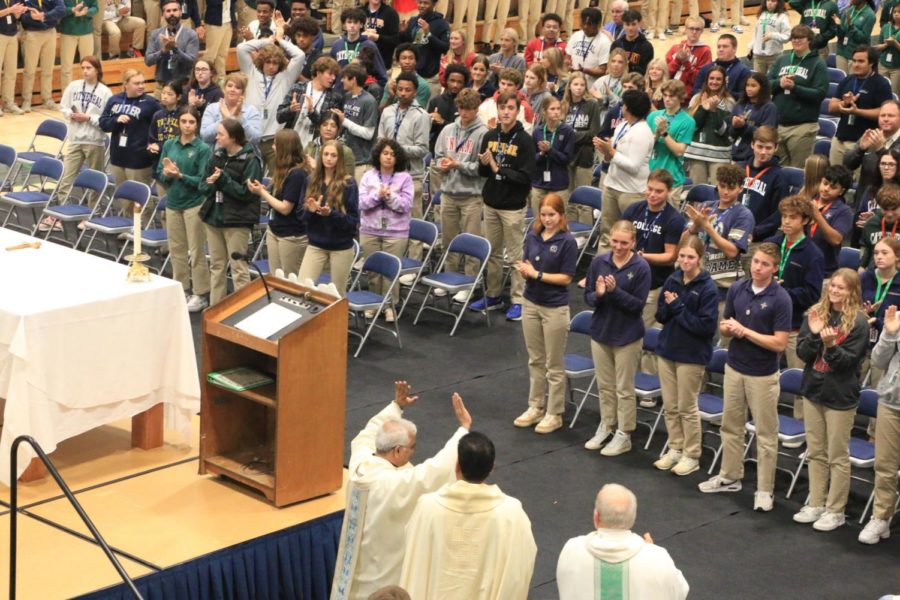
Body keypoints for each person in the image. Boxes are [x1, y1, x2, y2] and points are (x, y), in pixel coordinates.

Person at [332, 381, 472, 600]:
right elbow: (434, 470)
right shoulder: (393, 484)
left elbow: (369, 432)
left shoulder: (361, 459)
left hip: (353, 571)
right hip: (379, 576)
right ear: (397, 450)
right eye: (412, 447)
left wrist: (396, 405)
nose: (414, 452)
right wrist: (463, 428)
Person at [698, 243, 792, 512]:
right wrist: (728, 328)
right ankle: (730, 475)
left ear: (775, 268)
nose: (758, 267)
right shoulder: (739, 288)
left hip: (762, 375)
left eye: (764, 264)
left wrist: (745, 331)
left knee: (765, 434)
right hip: (735, 367)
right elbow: (725, 324)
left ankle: (765, 489)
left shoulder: (781, 298)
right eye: (755, 262)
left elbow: (779, 344)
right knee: (730, 426)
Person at [399, 432, 537, 599]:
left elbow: (415, 556)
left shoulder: (427, 507)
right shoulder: (511, 513)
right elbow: (520, 566)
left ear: (457, 466)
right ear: (492, 468)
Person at [793, 268, 869, 531]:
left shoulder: (859, 323)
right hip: (813, 390)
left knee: (837, 455)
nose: (835, 291)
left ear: (852, 291)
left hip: (840, 396)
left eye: (842, 288)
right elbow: (802, 352)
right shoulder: (816, 314)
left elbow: (848, 364)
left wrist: (831, 345)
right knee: (816, 452)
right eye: (833, 286)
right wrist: (815, 334)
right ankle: (816, 502)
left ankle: (835, 509)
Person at [583, 220, 650, 456]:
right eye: (615, 241)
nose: (619, 246)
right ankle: (607, 425)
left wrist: (615, 292)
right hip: (601, 332)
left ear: (633, 242)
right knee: (605, 385)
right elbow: (588, 297)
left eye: (624, 242)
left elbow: (637, 306)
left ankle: (624, 433)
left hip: (627, 336)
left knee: (624, 388)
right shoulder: (599, 261)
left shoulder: (641, 267)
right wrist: (599, 294)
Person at [653, 235, 718, 476]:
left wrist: (678, 307)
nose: (685, 261)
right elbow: (660, 315)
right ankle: (675, 447)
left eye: (690, 257)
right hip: (668, 349)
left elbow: (705, 327)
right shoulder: (672, 279)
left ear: (700, 259)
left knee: (687, 407)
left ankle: (692, 454)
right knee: (670, 405)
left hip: (691, 354)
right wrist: (670, 308)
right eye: (682, 256)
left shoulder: (707, 288)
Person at [513, 193, 578, 433]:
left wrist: (537, 274)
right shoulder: (533, 235)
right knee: (535, 359)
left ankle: (554, 412)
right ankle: (535, 406)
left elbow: (566, 278)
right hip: (531, 302)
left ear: (561, 215)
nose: (547, 219)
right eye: (543, 214)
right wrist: (525, 271)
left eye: (552, 215)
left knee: (554, 363)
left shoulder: (567, 242)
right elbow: (528, 263)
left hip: (555, 307)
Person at [556, 483, 689, 600]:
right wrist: (651, 552)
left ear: (596, 517)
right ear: (633, 517)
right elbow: (680, 592)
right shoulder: (658, 558)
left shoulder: (572, 548)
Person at [470, 91, 537, 321]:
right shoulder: (490, 135)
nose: (505, 112)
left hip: (512, 206)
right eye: (502, 107)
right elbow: (483, 173)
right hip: (491, 203)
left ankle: (518, 299)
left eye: (510, 108)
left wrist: (499, 169)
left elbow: (526, 177)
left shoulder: (525, 140)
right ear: (497, 109)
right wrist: (485, 164)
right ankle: (494, 294)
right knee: (493, 253)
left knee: (516, 256)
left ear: (517, 110)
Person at [198, 119, 262, 304]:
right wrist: (212, 183)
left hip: (237, 220)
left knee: (238, 268)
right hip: (214, 217)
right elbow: (203, 185)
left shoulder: (250, 160)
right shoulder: (217, 155)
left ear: (233, 138)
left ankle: (242, 311)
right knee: (217, 266)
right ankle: (214, 308)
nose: (216, 137)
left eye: (220, 134)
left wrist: (223, 180)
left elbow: (247, 193)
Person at [433, 87, 488, 299]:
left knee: (471, 243)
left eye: (469, 110)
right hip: (448, 193)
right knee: (449, 241)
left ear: (476, 110)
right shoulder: (448, 130)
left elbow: (481, 169)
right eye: (462, 109)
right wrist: (442, 164)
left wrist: (458, 165)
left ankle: (470, 283)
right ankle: (449, 278)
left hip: (471, 196)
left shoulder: (483, 133)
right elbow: (437, 156)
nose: (465, 113)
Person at [157, 106, 212, 313]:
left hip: (194, 204)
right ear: (178, 123)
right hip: (173, 203)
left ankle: (201, 293)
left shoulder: (202, 149)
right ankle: (181, 287)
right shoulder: (170, 144)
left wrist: (180, 176)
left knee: (197, 250)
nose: (187, 125)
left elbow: (202, 181)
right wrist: (167, 174)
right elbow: (159, 172)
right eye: (183, 121)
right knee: (177, 249)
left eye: (191, 122)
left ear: (197, 125)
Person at [766, 195, 825, 383]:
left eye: (792, 217)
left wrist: (782, 293)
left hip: (795, 327)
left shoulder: (813, 254)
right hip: (768, 322)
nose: (786, 221)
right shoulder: (773, 245)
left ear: (806, 220)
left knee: (798, 380)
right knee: (763, 377)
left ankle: (800, 414)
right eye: (784, 216)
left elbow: (812, 294)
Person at [238, 17, 305, 171]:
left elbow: (299, 55)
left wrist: (280, 40)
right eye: (268, 62)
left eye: (275, 63)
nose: (271, 66)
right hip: (251, 138)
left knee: (277, 180)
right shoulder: (250, 71)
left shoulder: (286, 75)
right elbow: (242, 49)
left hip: (274, 139)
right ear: (262, 61)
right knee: (251, 180)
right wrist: (266, 42)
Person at [622, 169, 686, 328]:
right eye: (649, 189)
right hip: (628, 280)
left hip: (654, 283)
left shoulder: (674, 219)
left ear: (669, 191)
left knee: (643, 330)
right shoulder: (634, 209)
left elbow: (670, 257)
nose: (652, 194)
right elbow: (620, 239)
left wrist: (643, 257)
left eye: (658, 191)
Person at [357, 138, 413, 320]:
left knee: (390, 273)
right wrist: (377, 196)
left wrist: (389, 197)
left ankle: (390, 305)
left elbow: (406, 205)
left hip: (396, 232)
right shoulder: (368, 176)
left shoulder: (405, 178)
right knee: (373, 271)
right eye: (385, 153)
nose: (389, 157)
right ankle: (373, 303)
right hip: (369, 230)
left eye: (393, 154)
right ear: (378, 155)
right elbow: (361, 203)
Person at [592, 89, 654, 253]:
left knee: (630, 236)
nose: (621, 107)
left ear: (631, 108)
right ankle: (601, 269)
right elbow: (613, 154)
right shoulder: (622, 126)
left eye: (624, 104)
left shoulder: (643, 132)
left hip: (631, 191)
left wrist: (611, 152)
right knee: (607, 233)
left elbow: (633, 166)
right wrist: (605, 151)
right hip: (612, 185)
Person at [377, 71, 429, 262]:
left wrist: (396, 150)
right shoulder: (388, 111)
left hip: (410, 175)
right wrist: (386, 149)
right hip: (388, 176)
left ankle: (414, 262)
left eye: (408, 90)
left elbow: (422, 149)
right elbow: (380, 140)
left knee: (413, 219)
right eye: (400, 89)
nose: (403, 93)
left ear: (415, 92)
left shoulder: (421, 115)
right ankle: (390, 258)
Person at [682, 164, 755, 299]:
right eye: (722, 186)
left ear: (740, 188)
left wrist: (708, 227)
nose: (725, 191)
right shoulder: (705, 206)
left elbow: (732, 251)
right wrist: (696, 225)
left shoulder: (743, 215)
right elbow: (682, 243)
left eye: (731, 188)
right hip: (698, 279)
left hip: (724, 287)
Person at [297, 139, 359, 295]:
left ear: (340, 160)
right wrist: (310, 211)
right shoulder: (311, 180)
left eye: (333, 155)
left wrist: (331, 214)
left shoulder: (348, 184)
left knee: (337, 295)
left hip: (341, 246)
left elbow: (353, 222)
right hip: (316, 244)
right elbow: (301, 217)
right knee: (302, 287)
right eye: (325, 154)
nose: (329, 158)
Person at [861, 302, 900, 544]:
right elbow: (878, 360)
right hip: (891, 403)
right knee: (885, 466)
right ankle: (880, 517)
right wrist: (889, 333)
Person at [246, 129, 309, 277]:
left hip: (291, 235)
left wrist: (262, 193)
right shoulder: (282, 169)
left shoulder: (297, 174)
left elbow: (285, 208)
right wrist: (262, 189)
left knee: (290, 279)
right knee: (275, 277)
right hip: (275, 229)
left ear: (285, 148)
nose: (272, 147)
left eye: (275, 144)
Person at [768, 24, 829, 168]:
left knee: (797, 171)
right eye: (794, 38)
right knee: (780, 169)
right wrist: (779, 83)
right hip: (779, 125)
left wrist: (794, 88)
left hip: (802, 127)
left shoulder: (818, 64)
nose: (796, 41)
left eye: (800, 38)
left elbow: (819, 94)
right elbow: (766, 85)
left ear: (809, 40)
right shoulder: (782, 60)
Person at [829, 46, 894, 168]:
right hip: (839, 141)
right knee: (834, 181)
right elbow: (831, 107)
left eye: (861, 61)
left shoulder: (881, 83)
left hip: (864, 145)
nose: (856, 64)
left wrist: (857, 111)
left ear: (871, 63)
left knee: (860, 184)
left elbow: (884, 113)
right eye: (854, 61)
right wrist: (844, 103)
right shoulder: (847, 80)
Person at [58, 57, 112, 204]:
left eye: (89, 68)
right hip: (75, 139)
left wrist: (88, 118)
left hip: (94, 141)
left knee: (95, 180)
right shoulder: (73, 86)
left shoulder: (105, 92)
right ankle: (62, 209)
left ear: (97, 70)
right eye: (83, 68)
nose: (85, 71)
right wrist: (71, 114)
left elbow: (106, 120)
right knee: (66, 178)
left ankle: (91, 211)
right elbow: (63, 107)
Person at [99, 69, 162, 189]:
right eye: (136, 83)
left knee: (140, 200)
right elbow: (103, 123)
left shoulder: (151, 103)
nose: (141, 86)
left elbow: (161, 126)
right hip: (117, 157)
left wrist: (155, 144)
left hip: (138, 160)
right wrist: (116, 120)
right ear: (126, 84)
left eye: (143, 83)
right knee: (123, 198)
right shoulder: (115, 99)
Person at [278, 56, 343, 148]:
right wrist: (290, 110)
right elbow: (279, 117)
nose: (333, 78)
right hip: (291, 144)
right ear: (318, 73)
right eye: (330, 74)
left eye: (335, 75)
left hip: (315, 147)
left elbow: (326, 126)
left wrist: (312, 112)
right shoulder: (298, 88)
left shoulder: (335, 97)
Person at [684, 66, 735, 185]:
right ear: (706, 80)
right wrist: (703, 109)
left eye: (718, 79)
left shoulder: (729, 102)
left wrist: (713, 111)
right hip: (696, 152)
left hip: (719, 154)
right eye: (711, 78)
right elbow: (693, 127)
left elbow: (723, 131)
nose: (714, 82)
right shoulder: (696, 98)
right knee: (697, 192)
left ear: (723, 82)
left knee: (717, 191)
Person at [563, 72, 601, 223]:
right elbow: (560, 131)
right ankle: (572, 231)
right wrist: (575, 135)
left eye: (582, 85)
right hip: (567, 155)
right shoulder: (564, 104)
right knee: (570, 197)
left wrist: (571, 135)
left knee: (584, 200)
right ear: (569, 86)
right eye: (575, 84)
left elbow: (593, 133)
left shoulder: (592, 104)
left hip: (584, 155)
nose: (578, 88)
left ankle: (586, 233)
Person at [647, 80, 695, 200]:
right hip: (650, 174)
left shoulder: (687, 121)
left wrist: (664, 133)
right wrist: (657, 134)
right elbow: (646, 145)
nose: (667, 99)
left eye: (671, 96)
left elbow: (679, 151)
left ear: (680, 97)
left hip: (671, 179)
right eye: (665, 95)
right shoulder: (653, 116)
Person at [741, 125, 789, 243]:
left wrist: (754, 232)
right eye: (760, 147)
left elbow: (778, 214)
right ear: (752, 144)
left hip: (758, 238)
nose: (763, 152)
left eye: (768, 148)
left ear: (776, 147)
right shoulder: (740, 168)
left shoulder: (779, 177)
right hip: (732, 229)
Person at [844, 100, 900, 201]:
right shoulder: (871, 136)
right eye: (882, 116)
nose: (886, 119)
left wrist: (880, 149)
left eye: (891, 116)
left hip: (892, 204)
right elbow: (847, 164)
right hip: (865, 200)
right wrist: (860, 149)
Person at [530, 96, 574, 215]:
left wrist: (550, 150)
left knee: (558, 222)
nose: (556, 112)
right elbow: (531, 159)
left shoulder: (567, 131)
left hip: (558, 184)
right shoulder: (537, 132)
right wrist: (541, 153)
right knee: (539, 220)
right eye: (552, 109)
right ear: (544, 111)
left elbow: (566, 159)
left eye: (558, 109)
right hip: (539, 183)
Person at [810, 165, 854, 278]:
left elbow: (836, 240)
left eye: (833, 187)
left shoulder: (844, 211)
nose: (826, 189)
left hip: (824, 271)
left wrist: (817, 216)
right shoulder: (809, 201)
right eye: (824, 183)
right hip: (800, 263)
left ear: (841, 191)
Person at [20, 0, 65, 111]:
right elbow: (20, 16)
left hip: (50, 32)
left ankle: (47, 99)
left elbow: (61, 9)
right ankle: (27, 101)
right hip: (32, 33)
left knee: (48, 69)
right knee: (29, 70)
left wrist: (44, 15)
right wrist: (31, 17)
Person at [201, 73, 263, 149]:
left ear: (243, 92)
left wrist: (239, 118)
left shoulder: (251, 110)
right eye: (229, 86)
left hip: (244, 156)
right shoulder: (212, 108)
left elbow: (256, 139)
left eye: (237, 87)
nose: (232, 90)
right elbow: (204, 136)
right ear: (224, 88)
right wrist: (224, 119)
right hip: (217, 156)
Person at [728, 72, 778, 164]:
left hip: (756, 157)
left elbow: (767, 135)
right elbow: (731, 133)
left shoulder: (769, 107)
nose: (749, 89)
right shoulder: (739, 105)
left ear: (762, 87)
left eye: (753, 86)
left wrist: (744, 126)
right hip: (736, 155)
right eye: (747, 85)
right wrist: (735, 126)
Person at [144, 0, 199, 83]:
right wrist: (162, 51)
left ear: (181, 13)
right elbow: (148, 61)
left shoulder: (191, 34)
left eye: (175, 10)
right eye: (168, 11)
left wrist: (175, 49)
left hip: (183, 85)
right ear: (163, 14)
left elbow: (192, 61)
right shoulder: (155, 34)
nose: (172, 13)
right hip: (161, 85)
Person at [862, 237, 900, 352]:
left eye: (884, 253)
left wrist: (877, 321)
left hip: (889, 341)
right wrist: (862, 313)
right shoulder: (865, 277)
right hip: (862, 336)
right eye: (876, 253)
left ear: (897, 256)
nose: (879, 257)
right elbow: (851, 307)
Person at [331, 8, 387, 83]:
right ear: (344, 25)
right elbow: (331, 71)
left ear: (361, 25)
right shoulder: (337, 45)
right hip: (340, 90)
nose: (352, 25)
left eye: (355, 22)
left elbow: (381, 74)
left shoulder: (369, 45)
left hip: (361, 90)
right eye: (349, 22)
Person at [398, 0, 449, 82]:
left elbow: (445, 48)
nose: (422, 5)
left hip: (430, 77)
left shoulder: (442, 24)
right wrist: (402, 33)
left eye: (426, 3)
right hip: (411, 74)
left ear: (434, 4)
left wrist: (429, 34)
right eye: (420, 2)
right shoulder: (413, 21)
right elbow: (406, 45)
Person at [148, 81, 183, 191]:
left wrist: (160, 146)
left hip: (177, 164)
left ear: (179, 96)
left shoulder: (183, 115)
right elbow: (151, 137)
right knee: (161, 199)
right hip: (160, 163)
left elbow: (180, 139)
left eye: (170, 94)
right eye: (163, 93)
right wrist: (151, 147)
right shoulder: (157, 115)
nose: (165, 97)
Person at [691, 34, 750, 99]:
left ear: (734, 49)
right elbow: (695, 90)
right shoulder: (706, 68)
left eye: (725, 46)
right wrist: (711, 95)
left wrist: (721, 93)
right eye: (719, 47)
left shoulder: (743, 71)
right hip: (705, 104)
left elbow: (745, 95)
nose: (721, 49)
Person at [426, 62, 466, 154]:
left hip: (458, 149)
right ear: (446, 81)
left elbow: (463, 130)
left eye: (459, 82)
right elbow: (428, 130)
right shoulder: (435, 101)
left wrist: (442, 121)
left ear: (464, 84)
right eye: (452, 80)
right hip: (436, 148)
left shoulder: (466, 105)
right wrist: (430, 120)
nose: (455, 85)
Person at [665, 16, 711, 94]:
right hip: (669, 92)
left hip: (688, 95)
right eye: (691, 28)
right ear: (685, 30)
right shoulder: (675, 48)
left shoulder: (705, 51)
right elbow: (665, 73)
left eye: (697, 29)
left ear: (702, 31)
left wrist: (686, 63)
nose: (694, 32)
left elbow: (700, 79)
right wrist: (677, 60)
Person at [567, 7, 610, 89]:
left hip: (592, 88)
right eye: (583, 23)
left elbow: (603, 70)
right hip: (573, 85)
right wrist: (567, 66)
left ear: (598, 24)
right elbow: (567, 58)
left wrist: (584, 70)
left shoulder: (605, 42)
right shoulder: (576, 35)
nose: (585, 27)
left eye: (589, 24)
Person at [58, 0, 96, 93]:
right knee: (66, 67)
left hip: (86, 32)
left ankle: (87, 93)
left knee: (88, 66)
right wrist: (72, 9)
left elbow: (95, 7)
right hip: (68, 32)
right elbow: (59, 9)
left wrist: (87, 12)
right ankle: (66, 95)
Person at [860, 184, 900, 269]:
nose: (889, 214)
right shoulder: (871, 224)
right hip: (874, 273)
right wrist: (862, 266)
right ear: (880, 206)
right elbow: (868, 248)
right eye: (885, 209)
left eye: (894, 209)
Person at [751, 0, 791, 76]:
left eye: (773, 1)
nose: (769, 3)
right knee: (758, 82)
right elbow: (756, 33)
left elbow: (787, 37)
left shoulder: (783, 17)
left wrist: (773, 35)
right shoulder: (762, 14)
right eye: (768, 0)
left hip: (774, 57)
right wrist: (751, 46)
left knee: (772, 82)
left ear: (779, 2)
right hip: (758, 56)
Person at [200, 0, 236, 85]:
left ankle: (221, 80)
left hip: (228, 22)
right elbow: (212, 2)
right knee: (210, 55)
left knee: (222, 54)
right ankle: (204, 81)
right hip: (214, 22)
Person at [835, 0, 875, 74]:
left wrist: (851, 25)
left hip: (856, 56)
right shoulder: (848, 10)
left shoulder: (870, 15)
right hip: (841, 52)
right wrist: (838, 25)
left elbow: (863, 38)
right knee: (842, 82)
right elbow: (841, 34)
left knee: (854, 83)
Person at [0, 0, 24, 116]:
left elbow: (16, 17)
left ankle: (8, 102)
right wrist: (11, 9)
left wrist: (18, 12)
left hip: (12, 34)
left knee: (11, 71)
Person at [610, 10, 653, 75]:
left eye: (633, 24)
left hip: (635, 81)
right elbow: (610, 65)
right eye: (627, 24)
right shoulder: (616, 44)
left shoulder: (647, 47)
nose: (630, 28)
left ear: (639, 24)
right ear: (623, 24)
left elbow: (645, 71)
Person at [590, 47, 626, 121]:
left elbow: (624, 107)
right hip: (600, 120)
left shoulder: (628, 83)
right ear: (609, 63)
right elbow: (591, 107)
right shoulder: (600, 81)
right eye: (613, 61)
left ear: (625, 64)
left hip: (618, 121)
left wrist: (609, 95)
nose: (616, 64)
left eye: (620, 62)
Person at [362, 0, 400, 68]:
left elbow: (396, 40)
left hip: (382, 62)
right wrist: (363, 36)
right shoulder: (360, 11)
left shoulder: (391, 13)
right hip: (362, 62)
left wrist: (378, 38)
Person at [291, 15, 322, 82]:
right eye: (298, 35)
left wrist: (295, 74)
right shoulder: (289, 56)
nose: (301, 39)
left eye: (305, 36)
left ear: (313, 37)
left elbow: (318, 85)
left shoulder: (319, 58)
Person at [877, 3, 900, 94]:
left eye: (899, 12)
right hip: (883, 65)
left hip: (897, 68)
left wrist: (895, 43)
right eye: (894, 12)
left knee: (894, 93)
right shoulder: (886, 27)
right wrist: (885, 45)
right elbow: (878, 46)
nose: (896, 14)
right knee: (882, 92)